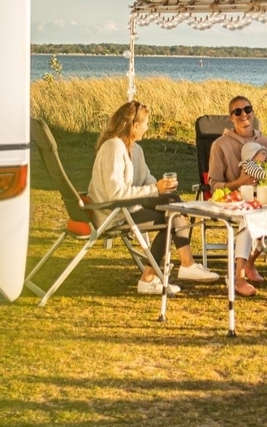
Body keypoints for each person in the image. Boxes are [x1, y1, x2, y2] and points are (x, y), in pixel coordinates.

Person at [89, 100, 220, 295]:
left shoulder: (136, 150)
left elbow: (147, 180)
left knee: (172, 203)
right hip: (112, 214)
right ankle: (170, 270)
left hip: (128, 209)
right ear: (135, 126)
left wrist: (163, 188)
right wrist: (154, 189)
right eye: (146, 123)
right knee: (172, 215)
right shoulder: (113, 147)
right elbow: (115, 193)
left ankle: (176, 268)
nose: (147, 128)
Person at [207, 95, 267, 295]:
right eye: (237, 112)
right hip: (236, 202)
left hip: (263, 199)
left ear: (253, 112)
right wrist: (239, 183)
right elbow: (214, 184)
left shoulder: (265, 142)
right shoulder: (220, 145)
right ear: (231, 117)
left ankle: (250, 262)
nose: (243, 114)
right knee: (248, 219)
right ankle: (239, 278)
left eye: (247, 109)